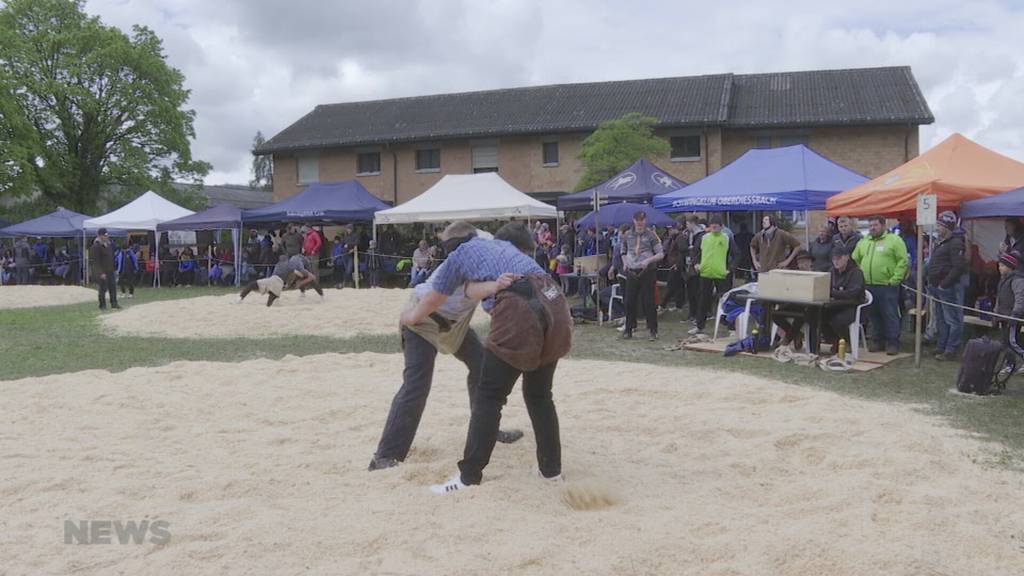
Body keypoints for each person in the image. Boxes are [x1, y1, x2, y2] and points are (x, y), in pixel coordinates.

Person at [401, 222, 571, 493]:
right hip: (556, 305)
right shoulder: (500, 248)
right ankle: (551, 471)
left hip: (521, 310)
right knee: (540, 396)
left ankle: (468, 477)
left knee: (489, 397)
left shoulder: (459, 256)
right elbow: (475, 289)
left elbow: (434, 298)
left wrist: (410, 317)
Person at [368, 225, 528, 471]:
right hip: (423, 318)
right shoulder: (459, 260)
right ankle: (386, 456)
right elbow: (439, 297)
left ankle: (487, 428)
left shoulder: (487, 246)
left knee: (483, 367)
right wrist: (409, 320)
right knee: (417, 384)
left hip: (456, 321)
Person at [852, 215, 909, 355]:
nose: (872, 228)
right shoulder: (864, 241)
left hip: (887, 285)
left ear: (883, 225)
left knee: (889, 314)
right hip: (869, 285)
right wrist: (861, 275)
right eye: (870, 225)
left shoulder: (894, 240)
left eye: (875, 225)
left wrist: (895, 279)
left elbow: (903, 261)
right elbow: (855, 259)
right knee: (873, 315)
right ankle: (878, 341)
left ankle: (892, 343)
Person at [927, 211, 968, 361]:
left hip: (947, 287)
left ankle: (952, 348)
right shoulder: (941, 242)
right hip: (937, 286)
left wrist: (944, 284)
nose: (937, 227)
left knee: (952, 319)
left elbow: (958, 267)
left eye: (939, 225)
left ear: (947, 227)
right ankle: (941, 345)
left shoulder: (956, 243)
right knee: (941, 319)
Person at [620, 211, 664, 340]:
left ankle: (653, 330)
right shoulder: (627, 235)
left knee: (649, 302)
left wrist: (648, 260)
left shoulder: (651, 235)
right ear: (634, 220)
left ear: (645, 221)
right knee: (629, 302)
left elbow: (661, 254)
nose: (640, 222)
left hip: (647, 272)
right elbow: (623, 251)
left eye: (642, 220)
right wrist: (625, 263)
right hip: (632, 272)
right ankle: (628, 329)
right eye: (637, 220)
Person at [691, 216, 737, 335]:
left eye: (717, 226)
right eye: (712, 226)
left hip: (721, 273)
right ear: (709, 227)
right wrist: (696, 263)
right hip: (705, 273)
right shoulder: (704, 238)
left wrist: (730, 269)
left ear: (721, 227)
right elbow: (695, 251)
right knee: (703, 300)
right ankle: (699, 326)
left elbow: (736, 254)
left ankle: (731, 327)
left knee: (726, 300)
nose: (714, 228)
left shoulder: (727, 238)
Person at [822, 246, 866, 346]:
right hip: (836, 305)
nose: (836, 261)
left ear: (847, 257)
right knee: (818, 316)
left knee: (838, 320)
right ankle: (836, 341)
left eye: (838, 258)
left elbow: (853, 294)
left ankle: (847, 342)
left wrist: (833, 293)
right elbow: (826, 288)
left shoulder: (856, 273)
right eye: (833, 259)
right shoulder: (832, 271)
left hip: (853, 306)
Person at [772, 250, 815, 348]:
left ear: (810, 262)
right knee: (775, 314)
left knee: (801, 315)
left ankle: (788, 338)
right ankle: (796, 334)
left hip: (808, 305)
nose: (802, 264)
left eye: (805, 261)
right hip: (793, 302)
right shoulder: (794, 275)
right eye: (800, 262)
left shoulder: (816, 275)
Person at [995, 251, 1024, 359]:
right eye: (999, 265)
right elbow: (999, 299)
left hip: (1012, 316)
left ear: (1010, 267)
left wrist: (1015, 314)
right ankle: (1009, 364)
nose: (999, 268)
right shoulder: (1003, 281)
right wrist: (996, 314)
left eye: (1002, 265)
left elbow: (1020, 299)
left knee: (1012, 342)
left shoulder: (1017, 281)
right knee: (1005, 342)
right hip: (1003, 316)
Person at [682, 215, 705, 322]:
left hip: (697, 267)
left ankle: (697, 314)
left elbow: (699, 250)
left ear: (692, 223)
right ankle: (692, 313)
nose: (686, 226)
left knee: (697, 292)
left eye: (687, 224)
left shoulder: (702, 235)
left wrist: (692, 250)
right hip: (689, 266)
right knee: (690, 291)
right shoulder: (689, 234)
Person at [89, 228, 119, 310]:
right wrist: (101, 273)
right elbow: (96, 261)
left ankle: (114, 304)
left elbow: (111, 256)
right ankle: (102, 305)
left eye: (106, 235)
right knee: (103, 289)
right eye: (104, 235)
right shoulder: (96, 246)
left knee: (113, 287)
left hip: (110, 270)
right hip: (102, 271)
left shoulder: (108, 244)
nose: (106, 237)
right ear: (100, 235)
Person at [659, 223, 687, 312]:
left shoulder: (680, 238)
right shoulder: (674, 238)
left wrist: (677, 264)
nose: (669, 232)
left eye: (671, 230)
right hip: (673, 265)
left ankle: (663, 304)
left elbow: (682, 251)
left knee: (671, 285)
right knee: (678, 286)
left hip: (676, 266)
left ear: (675, 229)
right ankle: (679, 305)